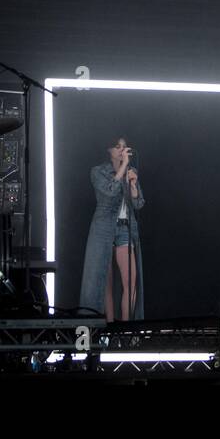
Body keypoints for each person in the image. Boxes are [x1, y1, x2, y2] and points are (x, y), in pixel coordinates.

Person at [79, 137, 145, 321]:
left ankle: (126, 330)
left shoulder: (131, 172)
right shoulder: (98, 171)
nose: (122, 150)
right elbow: (108, 191)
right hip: (103, 229)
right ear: (109, 150)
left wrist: (133, 185)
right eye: (118, 147)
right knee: (103, 283)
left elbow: (138, 204)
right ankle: (106, 329)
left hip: (125, 228)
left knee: (131, 281)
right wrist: (123, 167)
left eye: (124, 147)